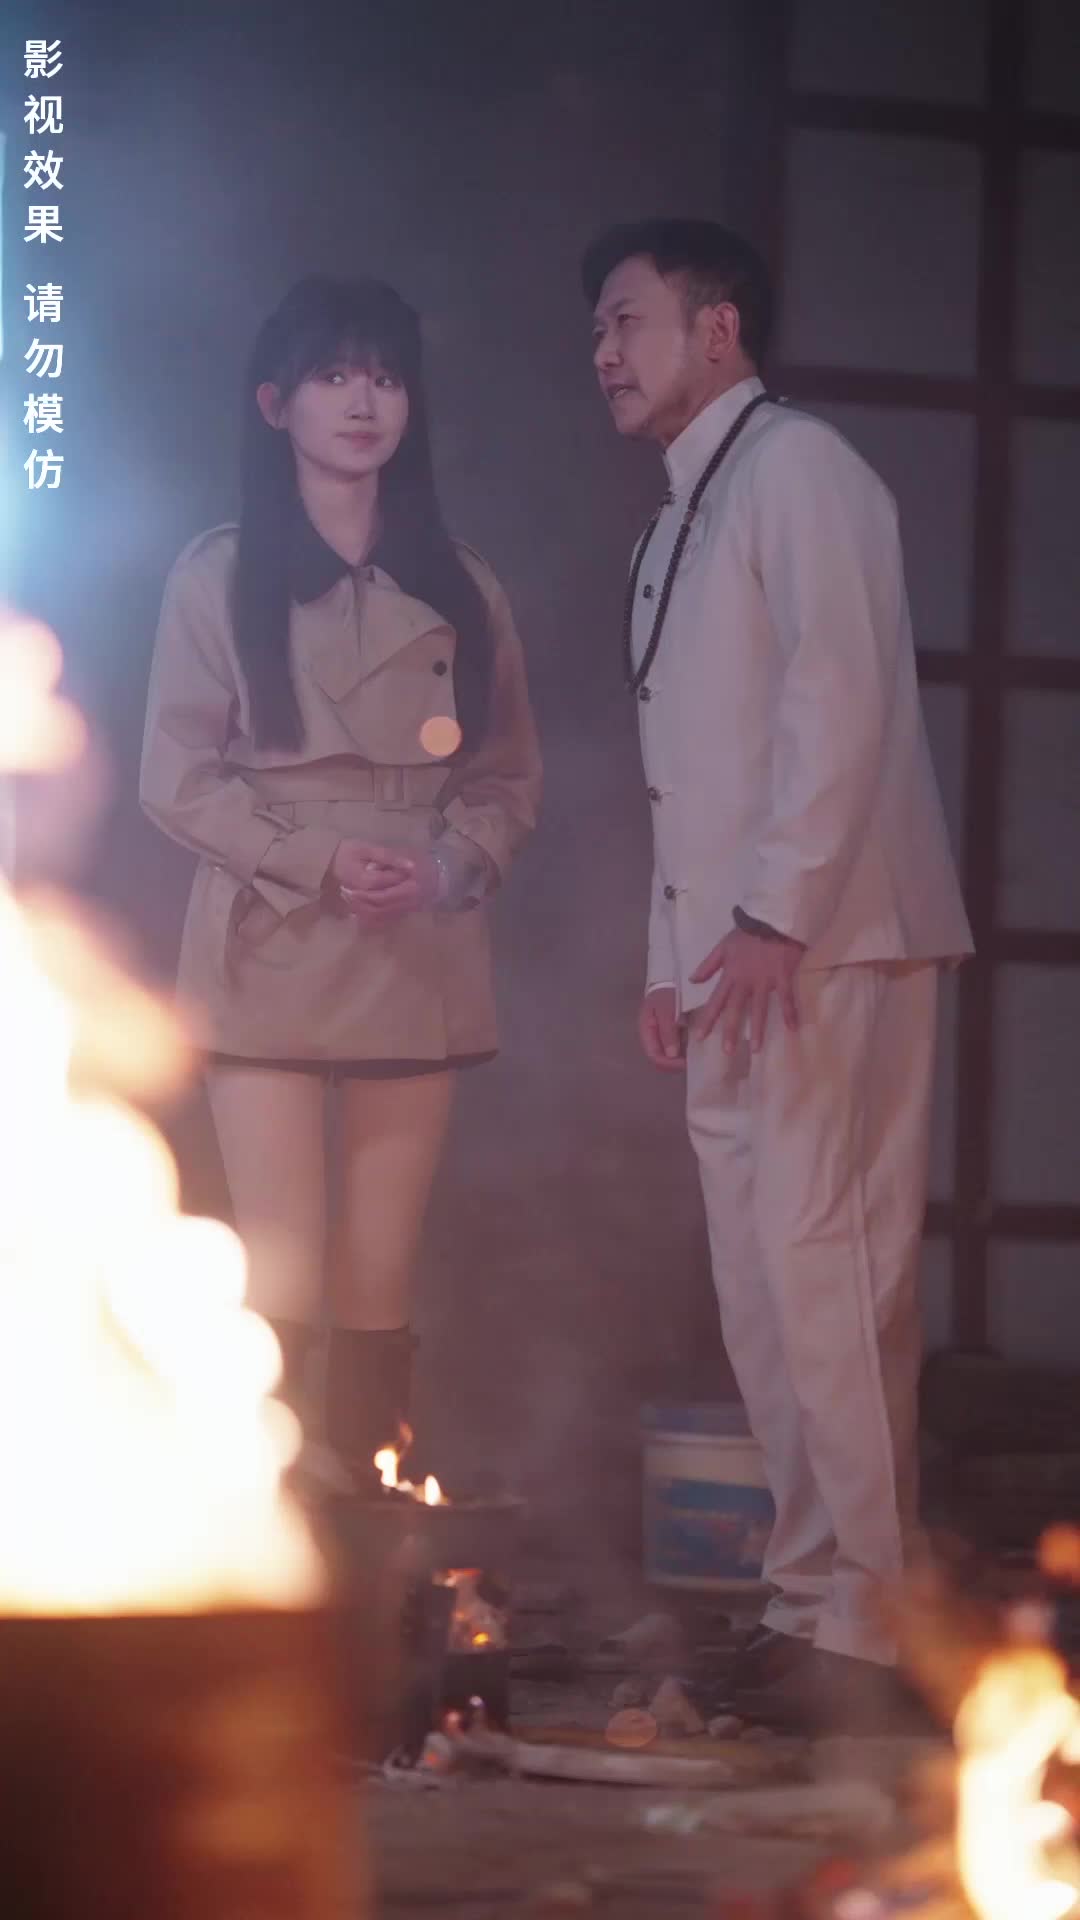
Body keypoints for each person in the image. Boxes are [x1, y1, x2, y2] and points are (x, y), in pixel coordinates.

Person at [583, 219, 972, 1705]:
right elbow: (686, 776)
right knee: (760, 1289)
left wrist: (774, 918)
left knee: (831, 1272)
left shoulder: (802, 468)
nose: (605, 354)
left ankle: (869, 1624)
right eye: (598, 331)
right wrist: (671, 955)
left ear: (719, 328)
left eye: (628, 321)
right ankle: (810, 1601)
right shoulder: (672, 524)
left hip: (829, 941)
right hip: (735, 958)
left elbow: (840, 699)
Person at [141, 275, 540, 1487]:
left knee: (379, 1272)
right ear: (276, 404)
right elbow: (175, 777)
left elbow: (507, 778)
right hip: (268, 934)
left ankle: (366, 1522)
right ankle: (271, 1531)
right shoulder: (217, 575)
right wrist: (316, 859)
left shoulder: (462, 583)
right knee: (279, 1268)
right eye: (333, 376)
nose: (364, 403)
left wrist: (443, 864)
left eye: (385, 378)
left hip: (414, 941)